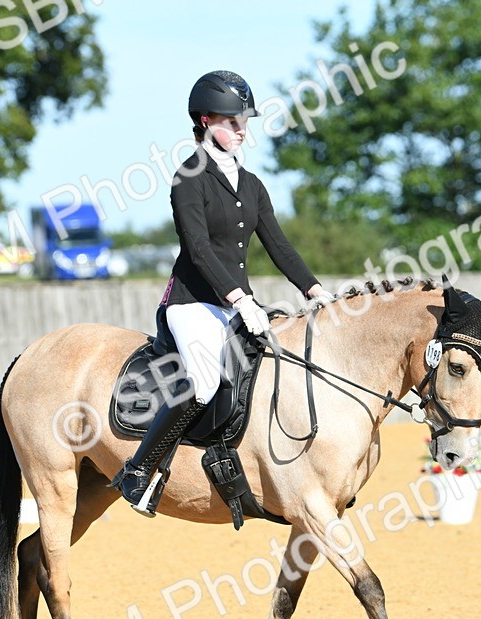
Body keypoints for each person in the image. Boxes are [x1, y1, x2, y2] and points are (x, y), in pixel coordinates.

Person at [110, 69, 337, 517]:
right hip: (193, 303)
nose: (240, 130)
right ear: (204, 120)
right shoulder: (188, 177)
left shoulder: (252, 185)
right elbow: (197, 249)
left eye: (243, 122)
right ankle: (139, 472)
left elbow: (279, 245)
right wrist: (239, 299)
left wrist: (315, 290)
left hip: (236, 305)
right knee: (205, 380)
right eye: (231, 122)